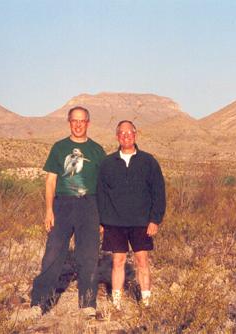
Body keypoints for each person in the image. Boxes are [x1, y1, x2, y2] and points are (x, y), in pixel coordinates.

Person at [25, 106, 106, 319]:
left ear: (88, 122)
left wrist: (103, 217)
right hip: (62, 205)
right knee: (53, 253)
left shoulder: (97, 150)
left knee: (88, 255)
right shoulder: (59, 148)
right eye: (74, 120)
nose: (78, 124)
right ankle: (39, 303)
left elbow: (103, 185)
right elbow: (50, 181)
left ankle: (87, 303)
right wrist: (49, 210)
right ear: (69, 122)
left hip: (90, 205)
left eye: (82, 121)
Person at [97, 120, 165, 309]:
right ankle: (116, 304)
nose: (126, 136)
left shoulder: (149, 161)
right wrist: (102, 221)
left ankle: (146, 302)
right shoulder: (107, 163)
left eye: (129, 132)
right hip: (115, 222)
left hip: (141, 222)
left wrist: (155, 219)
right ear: (117, 136)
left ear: (135, 135)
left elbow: (158, 192)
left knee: (142, 261)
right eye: (122, 133)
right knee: (118, 261)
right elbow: (101, 194)